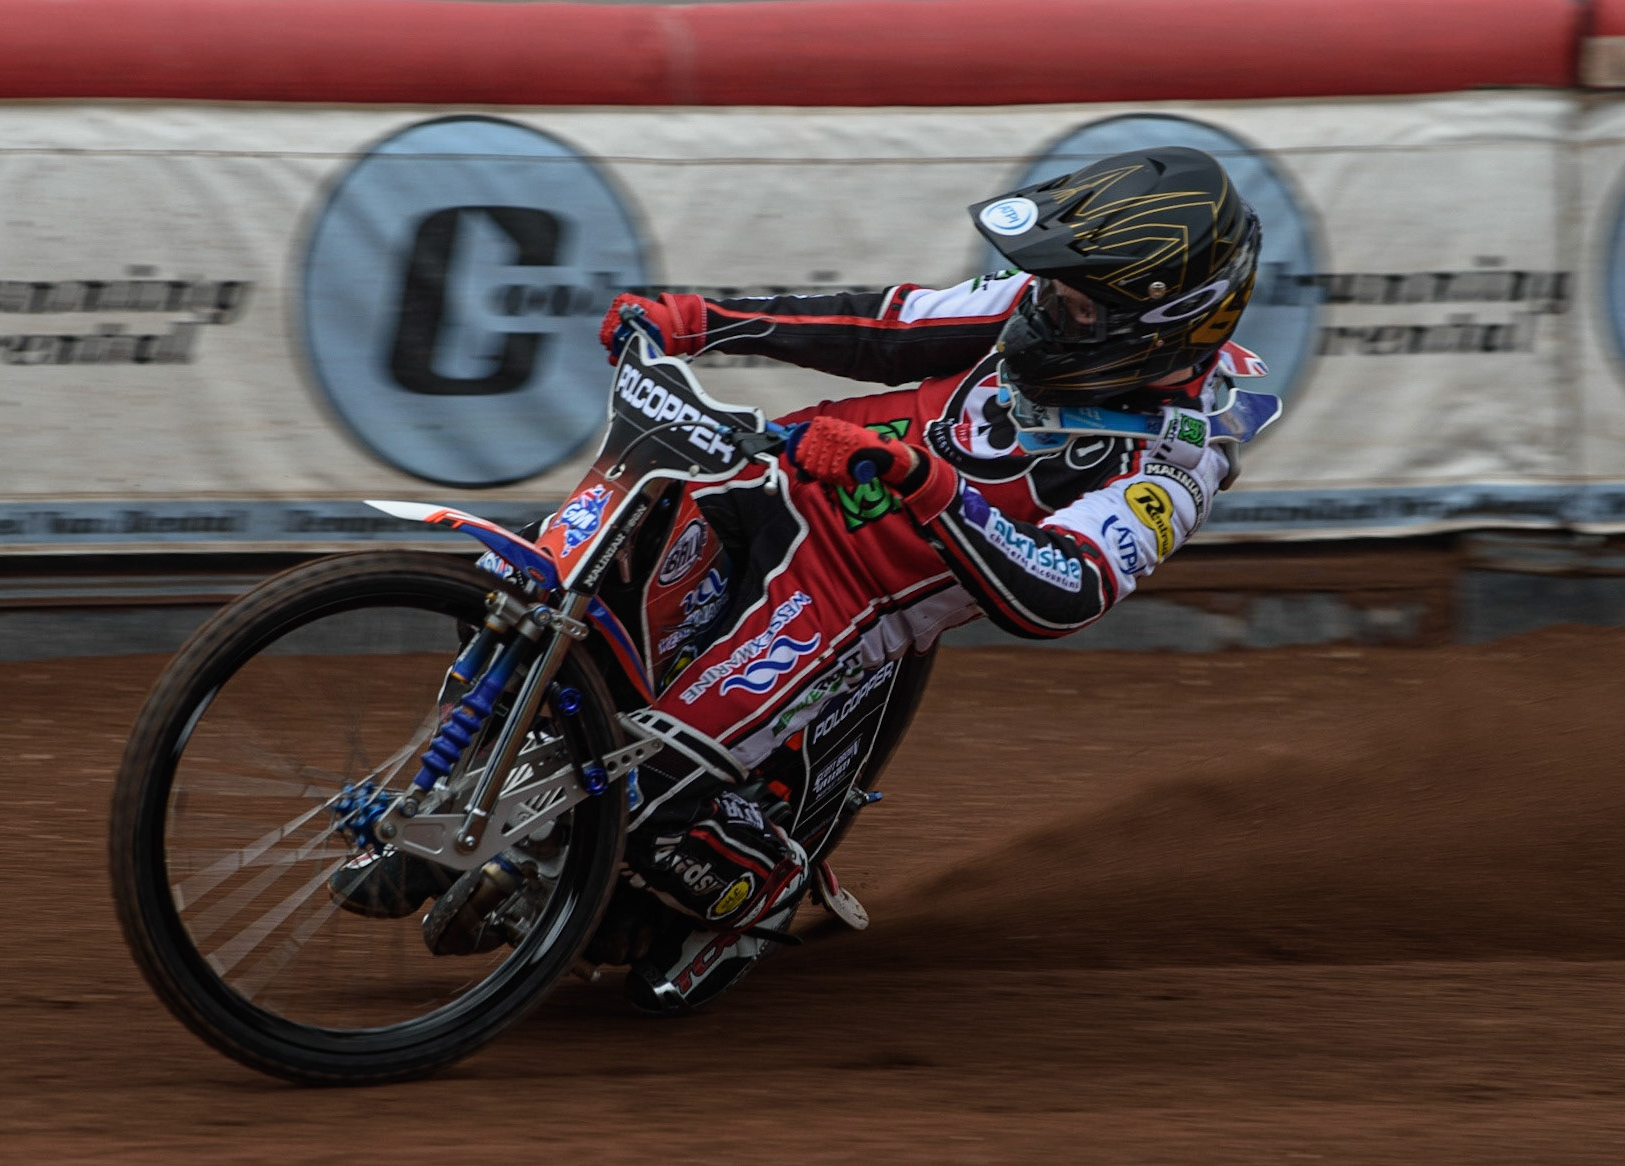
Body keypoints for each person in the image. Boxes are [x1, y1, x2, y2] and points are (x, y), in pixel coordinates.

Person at [333, 145, 1263, 1015]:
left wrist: (919, 482)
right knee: (524, 580)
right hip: (764, 481)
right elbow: (885, 327)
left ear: (1166, 319)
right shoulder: (1039, 307)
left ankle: (756, 884)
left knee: (645, 798)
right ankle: (452, 804)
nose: (1045, 307)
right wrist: (704, 321)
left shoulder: (1181, 454)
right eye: (1050, 287)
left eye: (1076, 305)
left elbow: (1068, 590)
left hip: (849, 599)